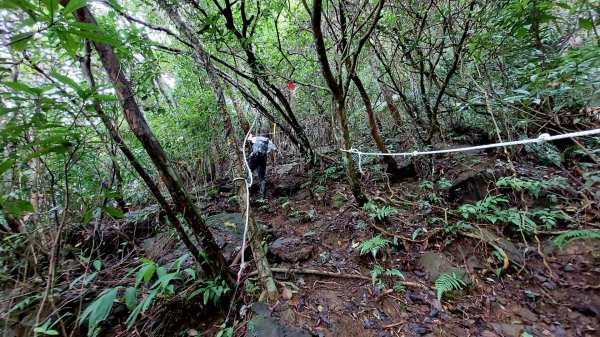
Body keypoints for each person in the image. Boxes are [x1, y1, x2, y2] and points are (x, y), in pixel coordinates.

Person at [247, 133, 275, 198]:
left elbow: (249, 139)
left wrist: (250, 135)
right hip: (262, 160)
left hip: (253, 159)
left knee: (249, 173)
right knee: (261, 176)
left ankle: (248, 190)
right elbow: (272, 149)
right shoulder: (269, 142)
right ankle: (262, 195)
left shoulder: (256, 138)